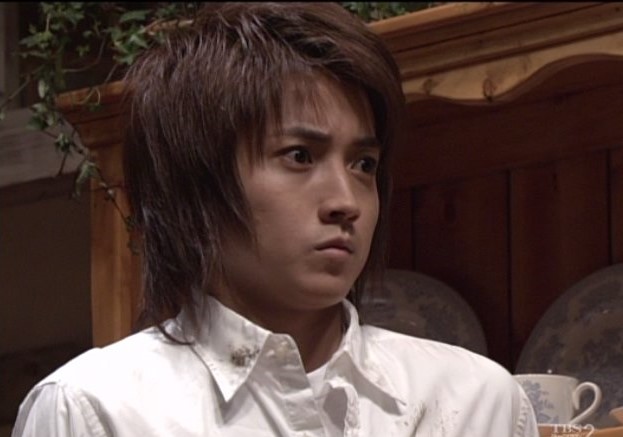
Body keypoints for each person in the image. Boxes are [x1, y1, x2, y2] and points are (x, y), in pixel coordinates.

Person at [12, 3, 538, 436]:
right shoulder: (98, 410)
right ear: (198, 182)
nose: (346, 201)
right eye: (299, 156)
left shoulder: (475, 401)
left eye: (363, 165)